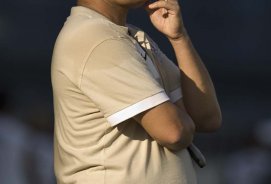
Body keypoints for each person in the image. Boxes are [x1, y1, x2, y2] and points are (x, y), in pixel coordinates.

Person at [51, 0, 222, 183]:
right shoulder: (95, 37)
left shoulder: (127, 35)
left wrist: (179, 38)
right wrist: (179, 117)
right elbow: (174, 132)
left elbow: (207, 118)